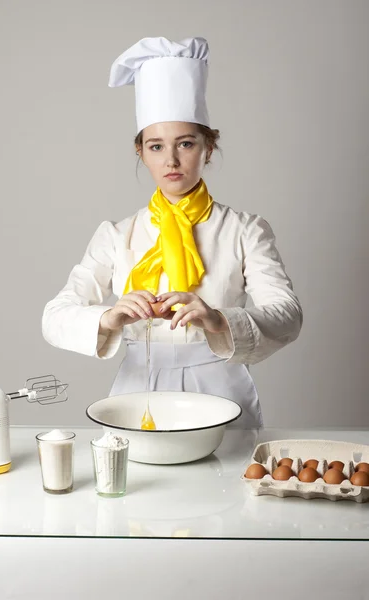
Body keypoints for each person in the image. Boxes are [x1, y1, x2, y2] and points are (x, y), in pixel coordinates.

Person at [42, 36, 303, 428]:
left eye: (185, 143)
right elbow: (54, 317)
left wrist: (219, 320)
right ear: (140, 152)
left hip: (223, 392)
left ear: (208, 148)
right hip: (135, 392)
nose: (172, 160)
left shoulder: (244, 230)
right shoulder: (116, 235)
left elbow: (288, 315)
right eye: (156, 146)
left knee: (227, 486)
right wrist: (110, 318)